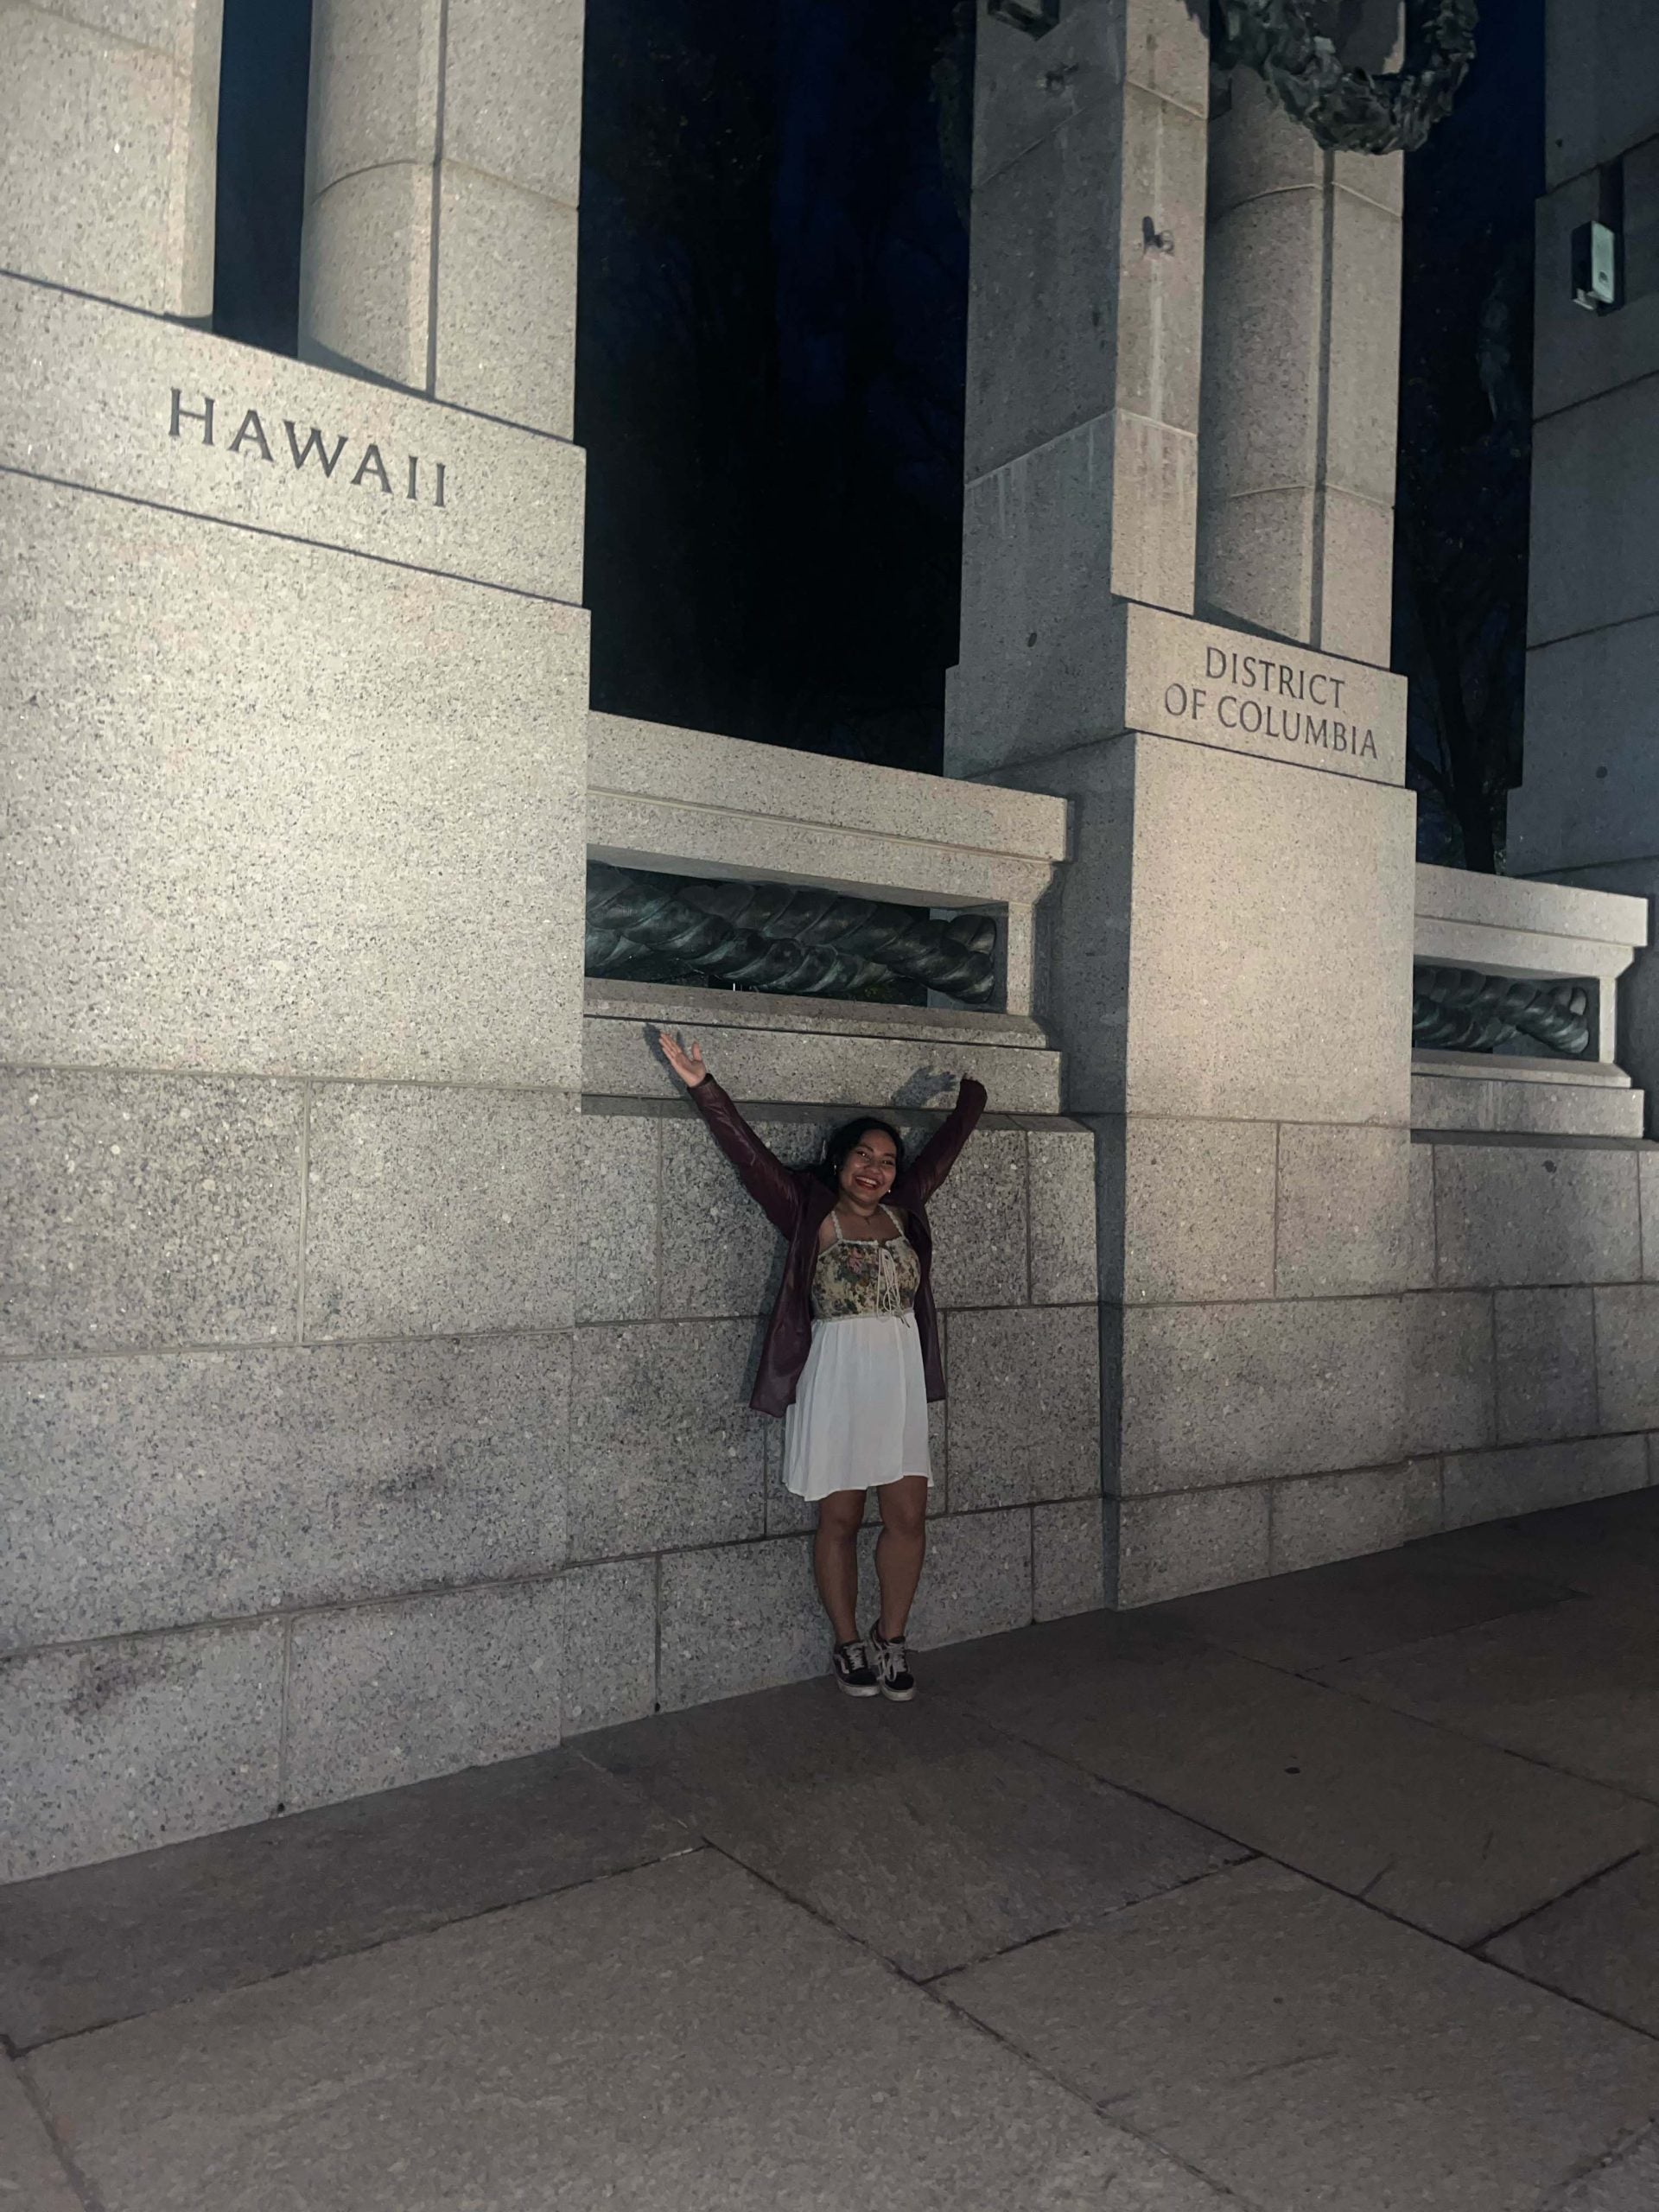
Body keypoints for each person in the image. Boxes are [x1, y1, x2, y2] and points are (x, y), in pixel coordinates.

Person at [657, 1028, 987, 1700]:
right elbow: (749, 1158)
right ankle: (848, 1643)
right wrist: (702, 1086)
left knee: (907, 1518)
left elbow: (946, 1153)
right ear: (838, 1162)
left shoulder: (905, 1211)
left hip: (897, 1381)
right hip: (836, 1380)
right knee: (838, 1520)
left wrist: (972, 1100)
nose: (875, 1168)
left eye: (888, 1159)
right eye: (862, 1156)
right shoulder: (809, 1210)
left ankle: (893, 1638)